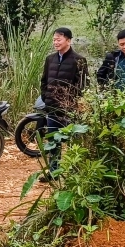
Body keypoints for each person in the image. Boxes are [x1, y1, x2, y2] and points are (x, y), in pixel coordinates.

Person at [39, 27, 88, 178]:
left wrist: (72, 102)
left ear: (68, 40)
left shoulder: (79, 60)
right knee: (53, 141)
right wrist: (46, 96)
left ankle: (75, 173)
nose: (55, 42)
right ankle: (54, 172)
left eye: (58, 40)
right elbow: (44, 81)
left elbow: (83, 85)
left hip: (69, 110)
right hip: (52, 108)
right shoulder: (50, 59)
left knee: (73, 141)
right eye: (54, 40)